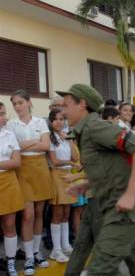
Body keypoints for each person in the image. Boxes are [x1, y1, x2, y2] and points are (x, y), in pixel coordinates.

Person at [58, 84, 135, 276]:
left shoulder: (95, 127)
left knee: (100, 270)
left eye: (66, 105)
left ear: (82, 104)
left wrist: (131, 195)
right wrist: (88, 183)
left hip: (125, 214)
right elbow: (109, 167)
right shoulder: (85, 132)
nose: (62, 110)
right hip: (117, 210)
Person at [7, 90, 52, 275]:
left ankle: (37, 251)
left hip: (40, 168)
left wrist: (25, 143)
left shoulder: (41, 122)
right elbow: (14, 148)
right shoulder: (11, 124)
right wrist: (35, 141)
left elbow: (46, 146)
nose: (18, 106)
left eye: (20, 102)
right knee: (28, 215)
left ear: (28, 102)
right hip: (22, 169)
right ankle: (28, 258)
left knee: (40, 212)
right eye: (15, 104)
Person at [47, 109, 79, 263]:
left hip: (68, 176)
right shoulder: (49, 137)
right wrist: (70, 163)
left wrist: (70, 139)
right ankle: (56, 250)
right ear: (51, 121)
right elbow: (54, 161)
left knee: (66, 213)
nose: (59, 122)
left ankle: (65, 245)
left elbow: (76, 156)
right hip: (56, 175)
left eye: (62, 119)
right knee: (57, 214)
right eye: (56, 119)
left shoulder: (66, 136)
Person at [0, 102, 24, 276]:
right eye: (1, 114)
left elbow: (16, 162)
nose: (4, 117)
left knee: (9, 224)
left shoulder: (10, 135)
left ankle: (10, 262)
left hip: (8, 182)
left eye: (3, 113)